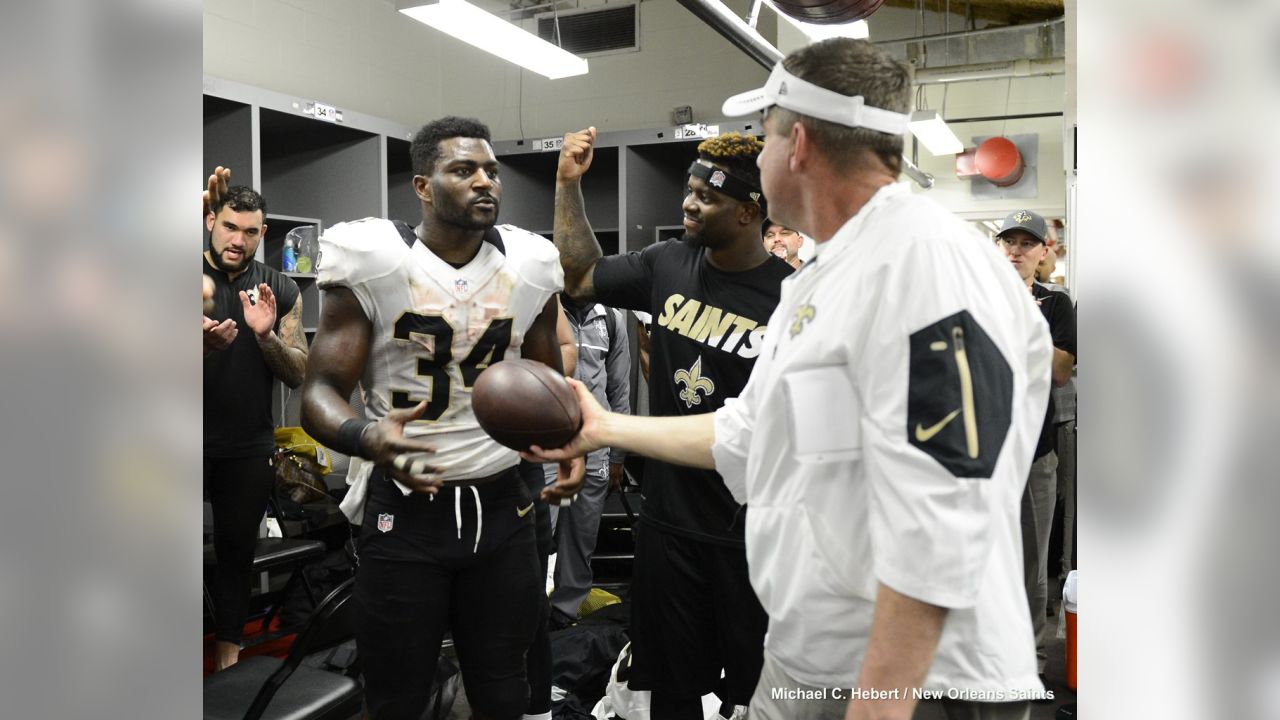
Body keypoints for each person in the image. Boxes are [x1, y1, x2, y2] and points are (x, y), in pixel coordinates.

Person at [528, 39, 1052, 720]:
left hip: (912, 680)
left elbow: (946, 506)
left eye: (764, 134)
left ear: (796, 142)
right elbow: (753, 433)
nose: (761, 151)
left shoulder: (924, 262)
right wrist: (601, 427)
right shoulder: (826, 276)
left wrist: (879, 704)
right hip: (818, 657)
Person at [298, 116, 585, 720]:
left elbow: (545, 380)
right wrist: (366, 436)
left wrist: (570, 436)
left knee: (504, 684)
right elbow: (320, 389)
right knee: (397, 693)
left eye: (491, 171)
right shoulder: (374, 259)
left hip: (504, 503)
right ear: (423, 186)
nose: (485, 182)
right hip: (405, 509)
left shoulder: (531, 263)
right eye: (463, 170)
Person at [553, 127, 792, 719]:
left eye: (706, 197)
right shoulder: (666, 263)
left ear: (749, 212)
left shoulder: (790, 298)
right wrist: (568, 185)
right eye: (688, 190)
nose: (688, 204)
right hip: (668, 521)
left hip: (751, 530)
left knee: (754, 692)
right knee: (671, 686)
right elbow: (577, 274)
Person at [202, 170, 309, 671]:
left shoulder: (280, 288)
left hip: (246, 443)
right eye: (229, 227)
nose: (237, 240)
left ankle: (227, 653)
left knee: (236, 550)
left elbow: (299, 372)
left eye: (249, 232)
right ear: (210, 221)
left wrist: (266, 338)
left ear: (262, 233)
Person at [994, 209, 1077, 675]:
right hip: (981, 452)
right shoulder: (974, 300)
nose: (1016, 251)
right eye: (1009, 242)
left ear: (1044, 252)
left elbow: (1061, 371)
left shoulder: (1056, 305)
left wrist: (1020, 315)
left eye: (1027, 244)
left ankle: (1030, 660)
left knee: (1031, 563)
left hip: (1034, 452)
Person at [543, 297, 631, 626]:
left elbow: (620, 387)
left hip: (596, 447)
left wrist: (618, 453)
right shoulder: (545, 311)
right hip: (549, 445)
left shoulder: (610, 317)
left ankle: (565, 614)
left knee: (582, 537)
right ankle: (529, 611)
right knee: (538, 533)